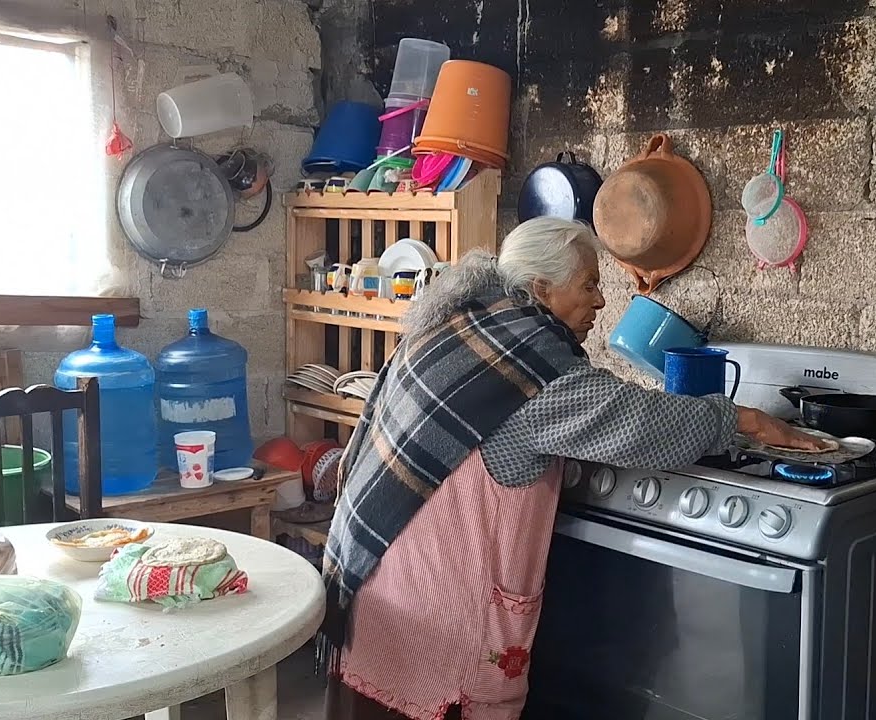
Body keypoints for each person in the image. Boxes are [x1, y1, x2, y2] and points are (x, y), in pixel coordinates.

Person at [319, 216, 828, 720]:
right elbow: (640, 421)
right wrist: (750, 421)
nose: (601, 301)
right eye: (589, 285)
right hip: (437, 607)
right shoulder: (531, 371)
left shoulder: (464, 322)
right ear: (541, 287)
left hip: (374, 568)